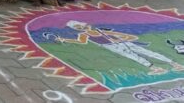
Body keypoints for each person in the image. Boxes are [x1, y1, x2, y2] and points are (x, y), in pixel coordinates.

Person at [56, 20, 184, 75]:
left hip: (121, 42)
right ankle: (157, 68)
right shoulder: (85, 35)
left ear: (87, 24)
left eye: (82, 25)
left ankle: (174, 64)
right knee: (134, 57)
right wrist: (64, 39)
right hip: (112, 46)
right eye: (78, 27)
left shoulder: (100, 30)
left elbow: (116, 34)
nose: (82, 27)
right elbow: (81, 42)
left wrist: (127, 37)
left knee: (147, 52)